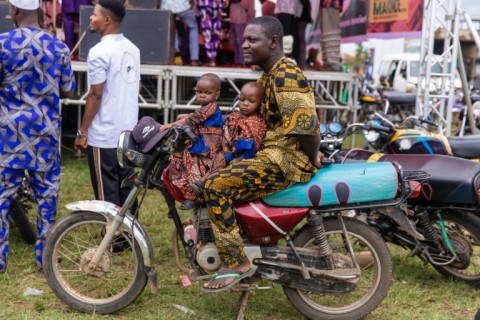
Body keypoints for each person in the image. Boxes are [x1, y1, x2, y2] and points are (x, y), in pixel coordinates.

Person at [202, 16, 321, 292]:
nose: (243, 45)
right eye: (244, 39)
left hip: (284, 161)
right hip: (270, 153)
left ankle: (235, 261)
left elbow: (306, 126)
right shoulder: (268, 76)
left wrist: (312, 157)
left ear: (273, 43)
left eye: (252, 40)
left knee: (215, 187)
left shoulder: (286, 74)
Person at [0, 0, 76, 272]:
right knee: (46, 200)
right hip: (44, 136)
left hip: (9, 137)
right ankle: (45, 259)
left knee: (1, 199)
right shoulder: (59, 47)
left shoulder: (2, 44)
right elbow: (69, 90)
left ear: (16, 11)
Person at [74, 1, 140, 217]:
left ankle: (112, 243)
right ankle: (130, 239)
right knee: (127, 186)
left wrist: (83, 132)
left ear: (107, 19)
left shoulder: (99, 51)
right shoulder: (133, 48)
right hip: (128, 134)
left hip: (104, 135)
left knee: (107, 194)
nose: (90, 18)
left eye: (94, 14)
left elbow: (95, 94)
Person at [160, 73, 226, 210]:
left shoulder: (211, 107)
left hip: (208, 150)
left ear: (216, 95)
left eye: (207, 92)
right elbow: (193, 116)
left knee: (193, 172)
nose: (202, 95)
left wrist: (170, 125)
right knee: (183, 165)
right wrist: (182, 117)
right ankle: (188, 196)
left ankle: (194, 198)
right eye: (199, 92)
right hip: (200, 145)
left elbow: (192, 119)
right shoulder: (204, 108)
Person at [190, 81, 267, 196]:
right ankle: (193, 192)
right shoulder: (234, 116)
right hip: (224, 149)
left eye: (251, 101)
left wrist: (240, 159)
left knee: (220, 157)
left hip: (239, 156)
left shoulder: (257, 122)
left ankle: (202, 183)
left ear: (260, 103)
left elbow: (253, 145)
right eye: (242, 99)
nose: (245, 104)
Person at [161, 0, 200, 66]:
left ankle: (175, 55)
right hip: (182, 6)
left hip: (166, 6)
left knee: (172, 28)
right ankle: (194, 59)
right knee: (193, 28)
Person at [196, 0, 229, 67]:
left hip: (206, 4)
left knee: (207, 31)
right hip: (217, 4)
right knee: (215, 32)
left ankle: (211, 58)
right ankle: (212, 58)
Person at [228, 0, 255, 67]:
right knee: (235, 41)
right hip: (233, 18)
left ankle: (243, 62)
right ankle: (237, 61)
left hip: (241, 20)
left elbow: (248, 7)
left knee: (240, 41)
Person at [319, 0, 343, 71]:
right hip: (326, 5)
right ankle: (328, 62)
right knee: (326, 32)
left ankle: (332, 63)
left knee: (330, 32)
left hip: (332, 5)